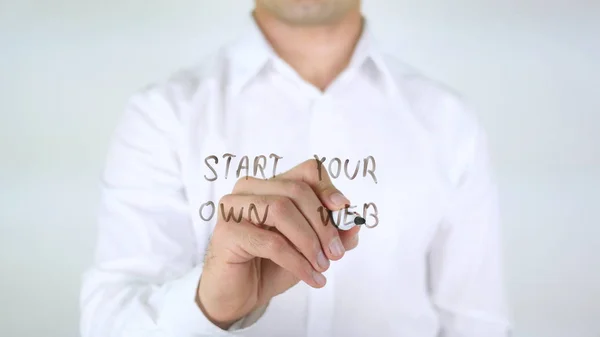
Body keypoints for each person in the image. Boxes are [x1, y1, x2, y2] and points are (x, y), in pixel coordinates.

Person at [80, 1, 512, 336]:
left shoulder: (450, 123)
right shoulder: (163, 116)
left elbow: (476, 325)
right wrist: (209, 305)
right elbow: (107, 321)